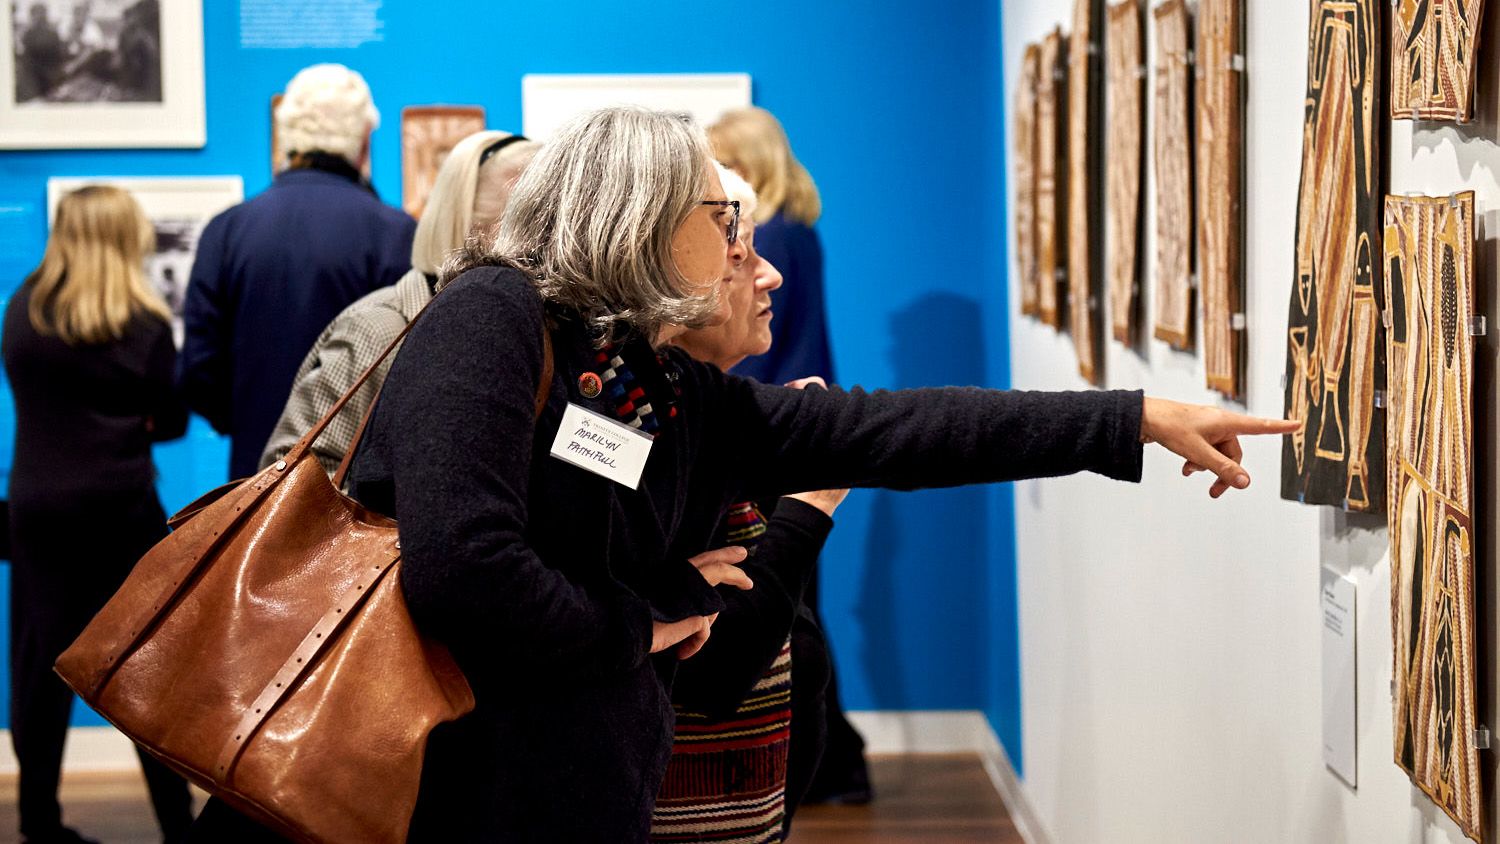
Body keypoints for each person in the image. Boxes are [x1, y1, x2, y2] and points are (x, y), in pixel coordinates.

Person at [190, 106, 1295, 842]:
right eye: (725, 222)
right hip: (427, 800)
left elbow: (893, 429)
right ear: (639, 216)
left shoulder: (658, 380)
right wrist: (649, 616)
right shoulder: (493, 315)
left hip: (573, 798)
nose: (743, 254)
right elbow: (463, 570)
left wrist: (1135, 420)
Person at [655, 165, 845, 842]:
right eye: (740, 254)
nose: (770, 276)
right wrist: (811, 506)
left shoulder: (708, 425)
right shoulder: (657, 439)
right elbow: (716, 669)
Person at [3, 185, 195, 844]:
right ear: (122, 238)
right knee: (143, 670)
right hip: (120, 510)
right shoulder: (141, 323)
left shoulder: (22, 312)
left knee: (40, 669)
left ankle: (37, 821)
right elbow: (172, 420)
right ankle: (177, 825)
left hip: (36, 512)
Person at [708, 104, 870, 803]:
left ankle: (830, 762)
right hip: (805, 420)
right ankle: (837, 761)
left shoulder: (764, 237)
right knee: (800, 605)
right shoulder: (799, 231)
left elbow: (755, 354)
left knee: (783, 609)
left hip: (775, 431)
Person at [179, 63, 415, 479]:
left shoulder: (226, 230)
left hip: (254, 480)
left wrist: (252, 421)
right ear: (364, 141)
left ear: (286, 137)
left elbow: (199, 369)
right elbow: (408, 368)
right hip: (356, 484)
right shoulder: (394, 233)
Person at [259, 129, 538, 477]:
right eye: (534, 229)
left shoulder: (534, 331)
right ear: (474, 230)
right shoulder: (378, 330)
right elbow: (287, 477)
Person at [708, 106, 834, 388]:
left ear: (751, 165)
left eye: (723, 165)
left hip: (774, 386)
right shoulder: (797, 227)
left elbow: (750, 331)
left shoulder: (769, 235)